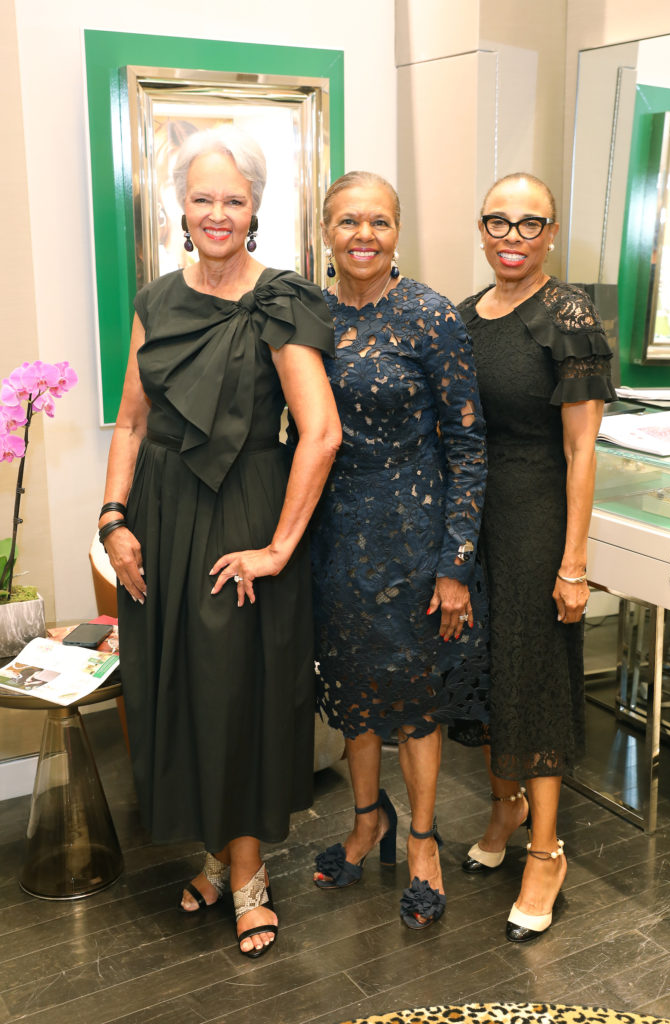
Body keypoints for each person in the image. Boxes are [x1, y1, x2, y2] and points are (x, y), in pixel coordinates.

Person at [99, 126, 341, 958]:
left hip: (245, 512)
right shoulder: (156, 301)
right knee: (180, 688)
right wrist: (113, 518)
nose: (216, 213)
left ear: (255, 207)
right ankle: (212, 853)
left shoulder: (282, 301)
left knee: (236, 693)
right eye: (202, 197)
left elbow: (319, 433)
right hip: (161, 517)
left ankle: (247, 875)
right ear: (180, 203)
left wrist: (277, 549)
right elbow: (132, 422)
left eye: (232, 200)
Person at [309, 171, 489, 929]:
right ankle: (366, 821)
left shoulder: (430, 315)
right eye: (348, 221)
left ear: (397, 231)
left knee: (415, 705)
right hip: (333, 539)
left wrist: (454, 566)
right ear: (325, 231)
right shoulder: (309, 314)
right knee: (353, 692)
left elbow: (469, 447)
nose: (363, 235)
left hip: (415, 541)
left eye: (378, 222)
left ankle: (420, 840)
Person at [453, 172, 616, 941]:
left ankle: (546, 852)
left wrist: (572, 563)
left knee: (534, 678)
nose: (512, 237)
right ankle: (504, 808)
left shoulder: (567, 316)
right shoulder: (464, 316)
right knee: (485, 669)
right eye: (498, 221)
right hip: (472, 518)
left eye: (529, 223)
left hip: (536, 521)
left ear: (550, 233)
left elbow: (581, 450)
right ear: (481, 229)